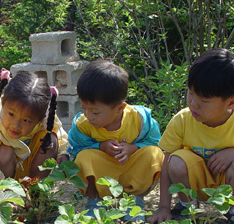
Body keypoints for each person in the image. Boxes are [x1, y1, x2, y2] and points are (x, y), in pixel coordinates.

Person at [147, 49, 234, 224]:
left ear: (231, 102)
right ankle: (187, 206)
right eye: (190, 94)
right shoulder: (182, 119)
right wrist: (164, 206)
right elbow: (166, 163)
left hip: (227, 189)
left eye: (204, 101)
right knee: (176, 160)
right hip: (194, 186)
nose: (193, 104)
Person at [67, 60, 163, 212]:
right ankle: (94, 201)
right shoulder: (82, 124)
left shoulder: (140, 120)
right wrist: (100, 146)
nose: (88, 115)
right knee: (83, 157)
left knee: (154, 154)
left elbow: (156, 142)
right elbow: (76, 148)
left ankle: (135, 201)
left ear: (120, 108)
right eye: (84, 108)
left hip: (132, 168)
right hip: (103, 174)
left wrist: (134, 147)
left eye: (95, 112)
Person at [0, 69, 69, 181]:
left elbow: (59, 133)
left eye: (26, 121)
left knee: (50, 140)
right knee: (5, 152)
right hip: (2, 175)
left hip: (29, 167)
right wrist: (3, 189)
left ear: (40, 119)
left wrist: (63, 153)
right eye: (11, 114)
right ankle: (8, 195)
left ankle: (35, 188)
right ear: (3, 102)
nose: (16, 125)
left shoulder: (46, 119)